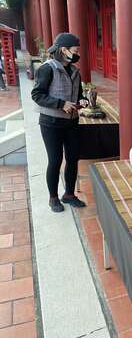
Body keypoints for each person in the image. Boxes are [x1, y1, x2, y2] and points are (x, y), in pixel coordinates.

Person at [31, 33, 88, 213]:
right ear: (64, 50)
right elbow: (37, 95)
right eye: (75, 50)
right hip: (51, 123)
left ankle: (69, 194)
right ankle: (53, 198)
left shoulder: (75, 70)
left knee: (73, 158)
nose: (77, 53)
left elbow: (78, 94)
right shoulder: (47, 69)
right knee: (55, 160)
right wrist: (61, 104)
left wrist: (83, 100)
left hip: (71, 122)